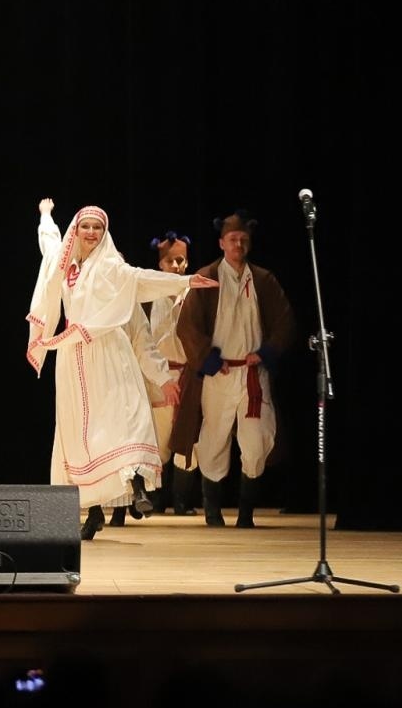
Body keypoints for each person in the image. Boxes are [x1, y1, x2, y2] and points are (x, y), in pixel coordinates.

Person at [25, 200, 216, 540]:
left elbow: (143, 280)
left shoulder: (113, 268)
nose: (91, 233)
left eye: (98, 228)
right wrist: (45, 215)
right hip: (73, 356)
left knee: (123, 420)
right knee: (79, 436)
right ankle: (93, 512)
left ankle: (138, 486)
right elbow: (48, 241)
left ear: (105, 233)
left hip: (110, 354)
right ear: (76, 229)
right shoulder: (63, 264)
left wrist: (184, 282)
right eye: (86, 226)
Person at [168, 211, 299, 527]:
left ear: (249, 243)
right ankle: (212, 512)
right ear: (221, 243)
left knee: (256, 441)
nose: (238, 244)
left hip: (253, 375)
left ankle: (246, 513)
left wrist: (267, 351)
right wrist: (208, 360)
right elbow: (187, 326)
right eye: (232, 239)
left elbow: (284, 320)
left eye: (243, 239)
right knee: (214, 439)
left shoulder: (264, 280)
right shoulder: (207, 278)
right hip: (220, 375)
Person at [141, 231, 198, 517]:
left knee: (188, 440)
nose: (177, 266)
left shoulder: (195, 293)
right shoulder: (149, 296)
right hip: (159, 375)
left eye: (182, 261)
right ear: (161, 265)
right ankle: (156, 499)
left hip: (187, 374)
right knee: (159, 438)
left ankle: (182, 501)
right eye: (171, 261)